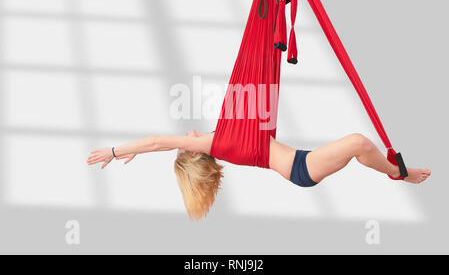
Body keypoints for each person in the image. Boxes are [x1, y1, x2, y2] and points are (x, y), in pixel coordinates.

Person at [87, 130, 431, 220]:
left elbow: (160, 144)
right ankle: (399, 173)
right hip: (302, 168)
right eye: (182, 147)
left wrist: (133, 151)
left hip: (303, 165)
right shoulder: (215, 142)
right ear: (194, 151)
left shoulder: (222, 137)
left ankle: (396, 172)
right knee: (358, 142)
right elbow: (159, 141)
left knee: (359, 148)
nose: (183, 139)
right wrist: (117, 151)